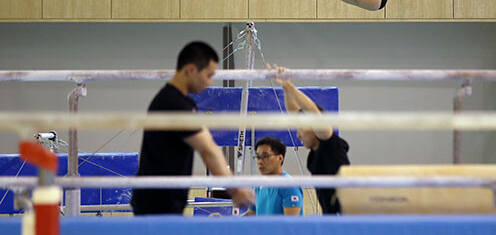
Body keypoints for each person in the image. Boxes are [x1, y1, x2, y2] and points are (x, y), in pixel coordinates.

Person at [130, 41, 254, 215]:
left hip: (161, 199)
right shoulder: (174, 104)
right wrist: (234, 189)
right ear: (190, 70)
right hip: (157, 203)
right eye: (208, 75)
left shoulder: (173, 100)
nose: (209, 83)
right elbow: (208, 149)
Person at [269, 64, 350, 214]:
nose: (298, 135)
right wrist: (286, 91)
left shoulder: (330, 145)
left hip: (345, 216)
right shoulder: (316, 150)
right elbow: (295, 114)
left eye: (301, 129)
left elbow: (313, 112)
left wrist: (290, 86)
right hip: (330, 215)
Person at [246, 137, 303, 216]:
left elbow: (291, 224)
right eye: (258, 157)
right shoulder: (258, 186)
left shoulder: (289, 185)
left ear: (280, 158)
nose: (260, 162)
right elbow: (250, 215)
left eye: (265, 156)